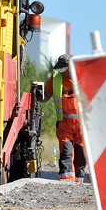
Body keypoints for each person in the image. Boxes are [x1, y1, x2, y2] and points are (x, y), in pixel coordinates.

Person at [39, 54, 85, 182]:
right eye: (60, 70)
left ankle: (79, 180)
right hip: (64, 124)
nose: (62, 73)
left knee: (81, 153)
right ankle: (66, 180)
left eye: (64, 70)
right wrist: (37, 94)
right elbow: (46, 96)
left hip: (82, 124)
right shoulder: (55, 79)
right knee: (66, 152)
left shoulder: (83, 78)